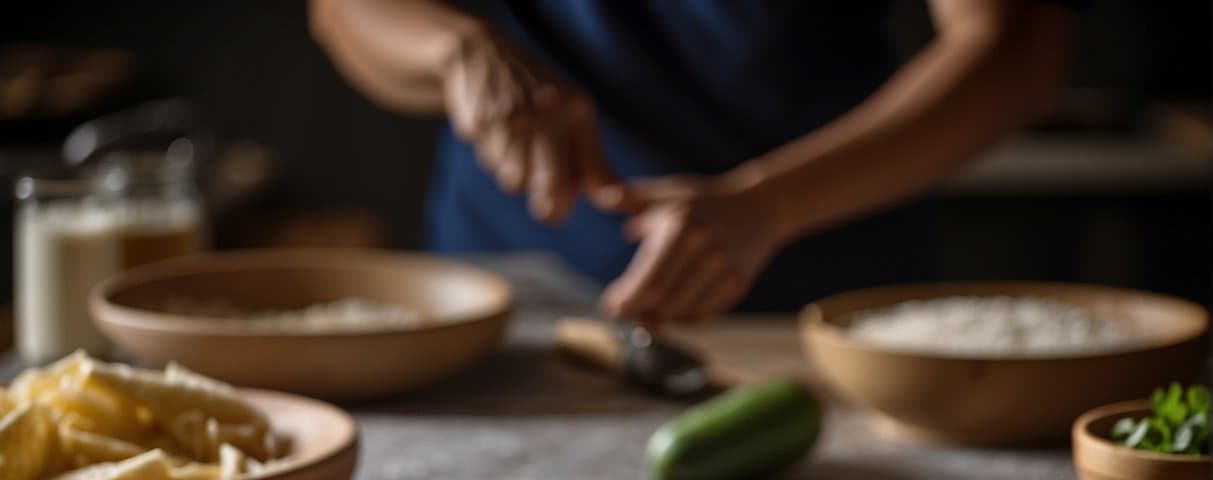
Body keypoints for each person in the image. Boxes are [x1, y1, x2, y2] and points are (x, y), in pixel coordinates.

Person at [309, 0, 1077, 325]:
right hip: (507, 293)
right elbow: (344, 11)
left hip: (817, 293)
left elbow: (1013, 45)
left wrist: (766, 205)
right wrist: (455, 50)